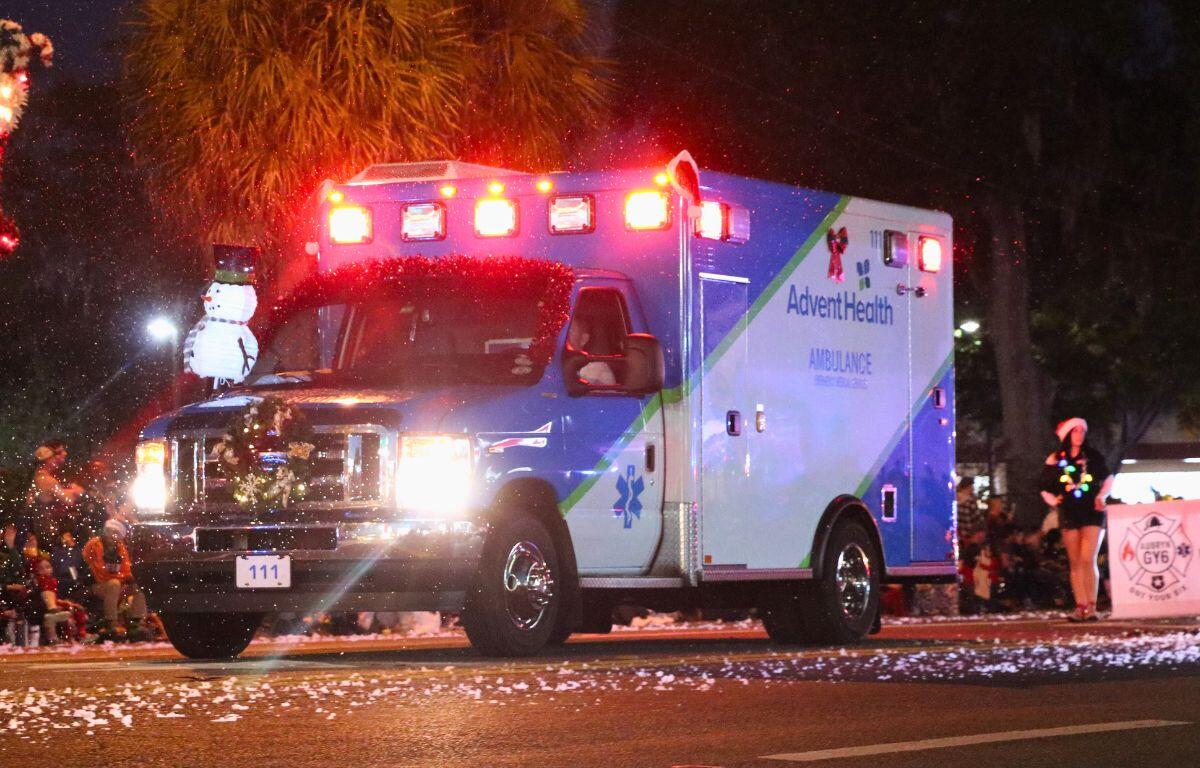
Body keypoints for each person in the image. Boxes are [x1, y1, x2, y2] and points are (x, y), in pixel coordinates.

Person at [1040, 417, 1113, 622]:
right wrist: (1055, 500)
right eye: (1075, 431)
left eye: (1082, 431)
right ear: (1067, 434)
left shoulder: (1092, 456)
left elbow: (1108, 478)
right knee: (1075, 561)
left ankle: (1092, 606)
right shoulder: (1056, 458)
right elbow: (1043, 486)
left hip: (1091, 509)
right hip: (1069, 511)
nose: (1079, 435)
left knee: (1087, 558)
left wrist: (1101, 496)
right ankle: (1080, 606)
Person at [83, 519, 147, 638]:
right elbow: (99, 571)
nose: (112, 535)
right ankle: (111, 624)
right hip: (96, 585)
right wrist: (121, 578)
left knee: (138, 587)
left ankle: (135, 623)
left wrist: (130, 579)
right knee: (114, 583)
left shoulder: (121, 548)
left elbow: (126, 569)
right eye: (110, 531)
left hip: (116, 585)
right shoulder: (94, 545)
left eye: (116, 533)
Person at [25, 441, 85, 543]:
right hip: (49, 532)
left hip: (44, 530)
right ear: (49, 458)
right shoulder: (46, 480)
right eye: (61, 452)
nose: (65, 453)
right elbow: (68, 500)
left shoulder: (39, 476)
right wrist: (77, 490)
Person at [32, 557, 83, 643]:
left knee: (74, 611)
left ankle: (78, 636)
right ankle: (68, 638)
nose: (46, 570)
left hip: (52, 607)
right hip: (42, 608)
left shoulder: (52, 580)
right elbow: (45, 598)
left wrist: (66, 603)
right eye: (41, 568)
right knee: (67, 616)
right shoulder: (40, 581)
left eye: (48, 567)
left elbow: (54, 598)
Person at [568, 316, 617, 387]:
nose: (565, 337)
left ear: (583, 339)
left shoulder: (597, 367)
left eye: (570, 332)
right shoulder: (554, 362)